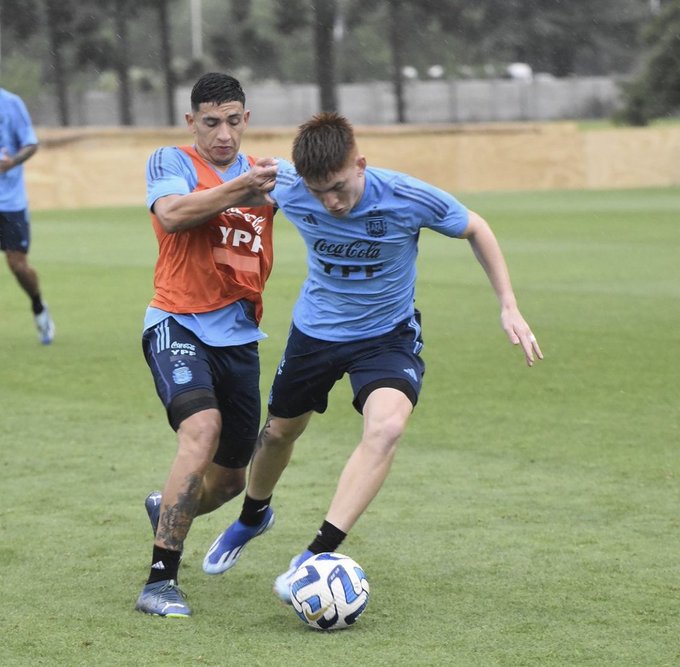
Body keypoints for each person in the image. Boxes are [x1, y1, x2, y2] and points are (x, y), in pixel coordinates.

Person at [202, 112, 544, 603]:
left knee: (386, 427)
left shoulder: (407, 196)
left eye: (340, 187)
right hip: (315, 332)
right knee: (280, 432)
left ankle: (315, 556)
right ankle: (254, 516)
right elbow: (223, 190)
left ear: (359, 163)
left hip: (387, 336)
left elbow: (477, 228)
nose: (332, 202)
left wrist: (508, 305)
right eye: (320, 193)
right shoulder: (286, 183)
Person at [135, 72, 278, 617]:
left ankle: (166, 505)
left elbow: (327, 203)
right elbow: (172, 215)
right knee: (202, 430)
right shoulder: (171, 162)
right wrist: (246, 187)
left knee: (227, 482)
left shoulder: (267, 177)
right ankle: (159, 582)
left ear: (247, 120)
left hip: (239, 335)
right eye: (211, 122)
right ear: (191, 121)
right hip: (177, 321)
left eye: (234, 121)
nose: (224, 133)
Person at [0, 88, 55, 344]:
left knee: (17, 265)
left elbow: (31, 143)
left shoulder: (11, 103)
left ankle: (38, 306)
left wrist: (12, 162)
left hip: (10, 201)